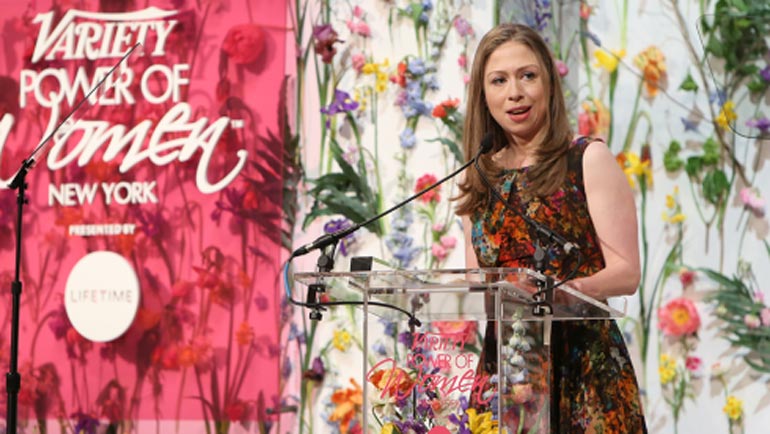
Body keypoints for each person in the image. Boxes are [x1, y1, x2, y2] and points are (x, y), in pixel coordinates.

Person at [454, 23, 647, 433]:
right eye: (499, 80)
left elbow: (627, 273)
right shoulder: (479, 176)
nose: (515, 92)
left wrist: (561, 292)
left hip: (585, 370)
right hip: (507, 375)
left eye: (527, 76)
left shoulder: (586, 159)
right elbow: (477, 281)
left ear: (548, 84)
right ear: (483, 96)